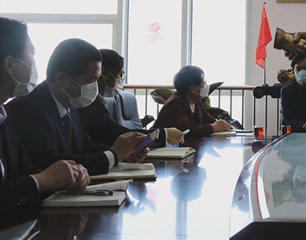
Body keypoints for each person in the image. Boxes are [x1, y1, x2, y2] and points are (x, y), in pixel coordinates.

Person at [7, 39, 147, 176]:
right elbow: (52, 164)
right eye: (91, 80)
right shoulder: (28, 109)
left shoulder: (69, 104)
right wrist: (113, 155)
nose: (95, 87)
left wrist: (123, 154)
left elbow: (84, 145)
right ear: (61, 79)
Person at [0, 18, 89, 210]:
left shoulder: (4, 117)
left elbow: (25, 170)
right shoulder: (25, 109)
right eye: (31, 53)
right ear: (10, 64)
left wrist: (65, 178)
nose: (34, 63)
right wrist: (43, 180)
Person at [77, 49, 184, 147]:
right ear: (104, 73)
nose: (121, 80)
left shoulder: (97, 101)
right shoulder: (87, 103)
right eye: (120, 74)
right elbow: (116, 133)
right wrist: (164, 134)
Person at [153, 65, 230, 136]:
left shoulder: (196, 100)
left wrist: (221, 124)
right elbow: (186, 131)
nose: (205, 84)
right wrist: (213, 127)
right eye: (203, 82)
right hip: (166, 145)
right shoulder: (176, 103)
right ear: (192, 89)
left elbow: (208, 120)